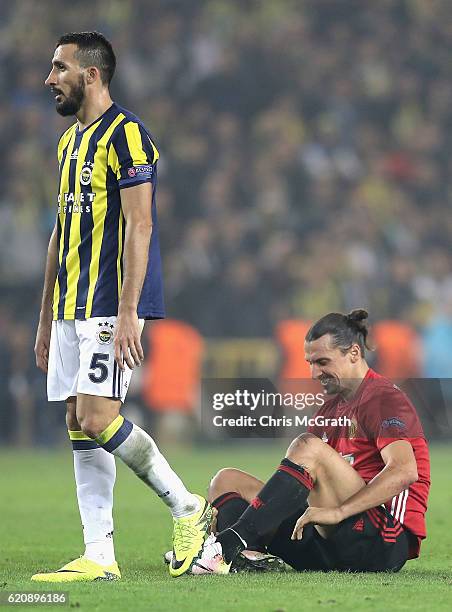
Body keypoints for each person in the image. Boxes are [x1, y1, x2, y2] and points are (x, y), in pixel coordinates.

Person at [32, 31, 212, 582]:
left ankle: (187, 507)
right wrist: (44, 319)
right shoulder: (67, 145)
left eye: (59, 67)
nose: (49, 78)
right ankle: (99, 555)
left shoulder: (127, 135)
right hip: (68, 307)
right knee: (76, 420)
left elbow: (141, 223)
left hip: (109, 303)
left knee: (96, 416)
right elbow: (60, 236)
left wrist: (132, 310)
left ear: (91, 75)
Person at [191, 309, 430, 574]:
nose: (314, 373)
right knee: (226, 480)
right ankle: (247, 557)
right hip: (328, 541)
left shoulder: (383, 398)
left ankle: (227, 545)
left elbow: (404, 470)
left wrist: (339, 511)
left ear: (353, 353)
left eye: (322, 362)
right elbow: (300, 484)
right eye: (310, 362)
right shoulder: (328, 411)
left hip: (382, 541)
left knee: (308, 447)